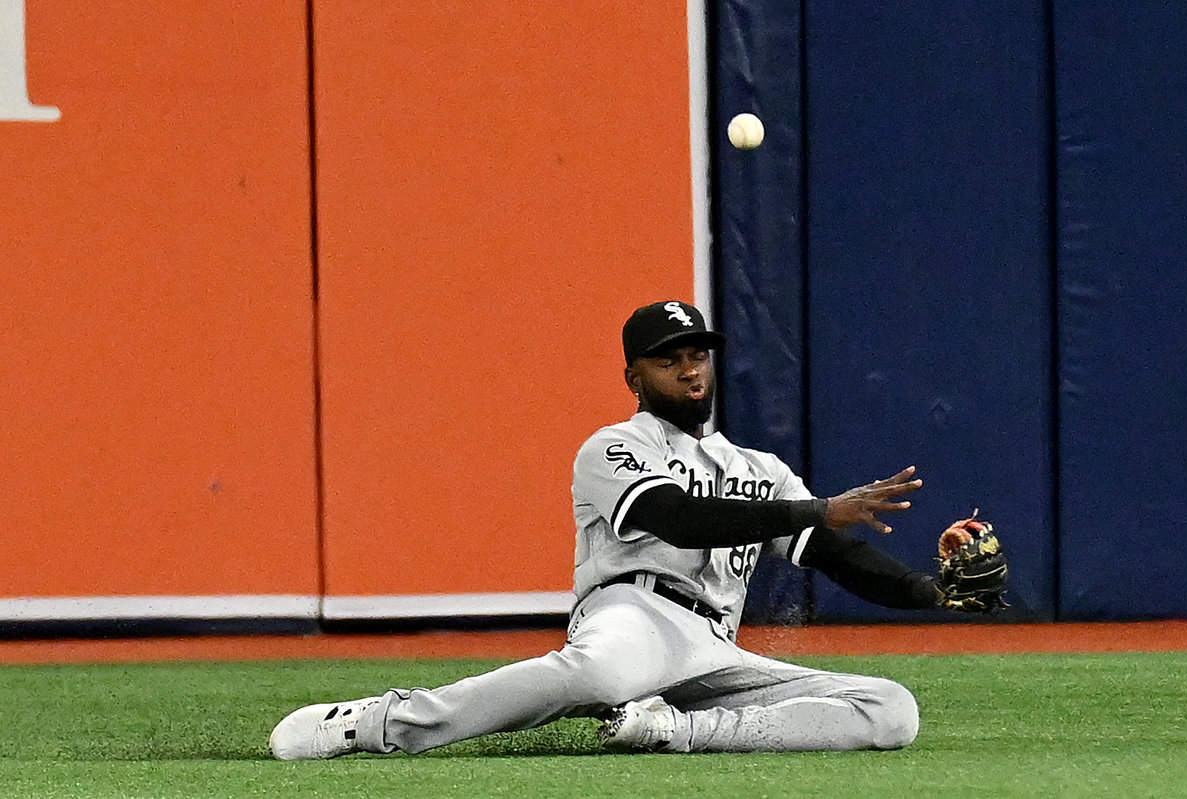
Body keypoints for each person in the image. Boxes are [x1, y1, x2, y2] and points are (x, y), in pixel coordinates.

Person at [269, 299, 951, 759]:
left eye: (698, 353)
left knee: (891, 708)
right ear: (634, 375)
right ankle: (384, 721)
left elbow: (838, 555)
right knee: (592, 672)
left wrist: (933, 592)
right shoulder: (614, 447)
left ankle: (675, 729)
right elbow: (678, 519)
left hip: (714, 649)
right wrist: (814, 507)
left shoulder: (758, 468)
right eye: (668, 357)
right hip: (635, 612)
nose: (689, 368)